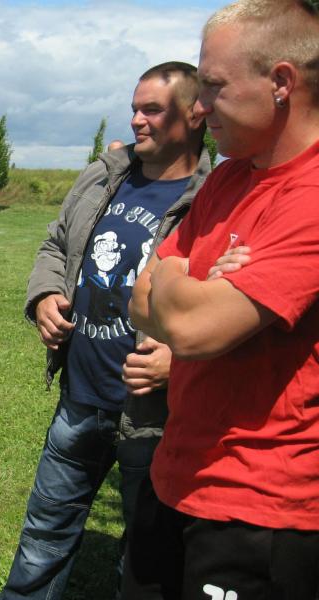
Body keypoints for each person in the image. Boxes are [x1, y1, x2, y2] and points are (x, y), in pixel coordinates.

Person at [125, 1, 319, 597]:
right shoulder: (230, 177)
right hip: (176, 476)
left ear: (281, 82)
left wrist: (177, 276)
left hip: (259, 513)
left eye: (213, 86)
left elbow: (192, 330)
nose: (200, 107)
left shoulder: (310, 194)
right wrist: (201, 284)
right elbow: (138, 299)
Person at [1, 62, 209, 600]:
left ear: (195, 115)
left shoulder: (217, 196)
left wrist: (180, 359)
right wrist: (44, 296)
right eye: (134, 109)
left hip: (155, 418)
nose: (137, 120)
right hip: (80, 398)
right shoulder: (103, 175)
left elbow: (234, 304)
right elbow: (55, 244)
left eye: (152, 110)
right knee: (42, 539)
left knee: (145, 560)